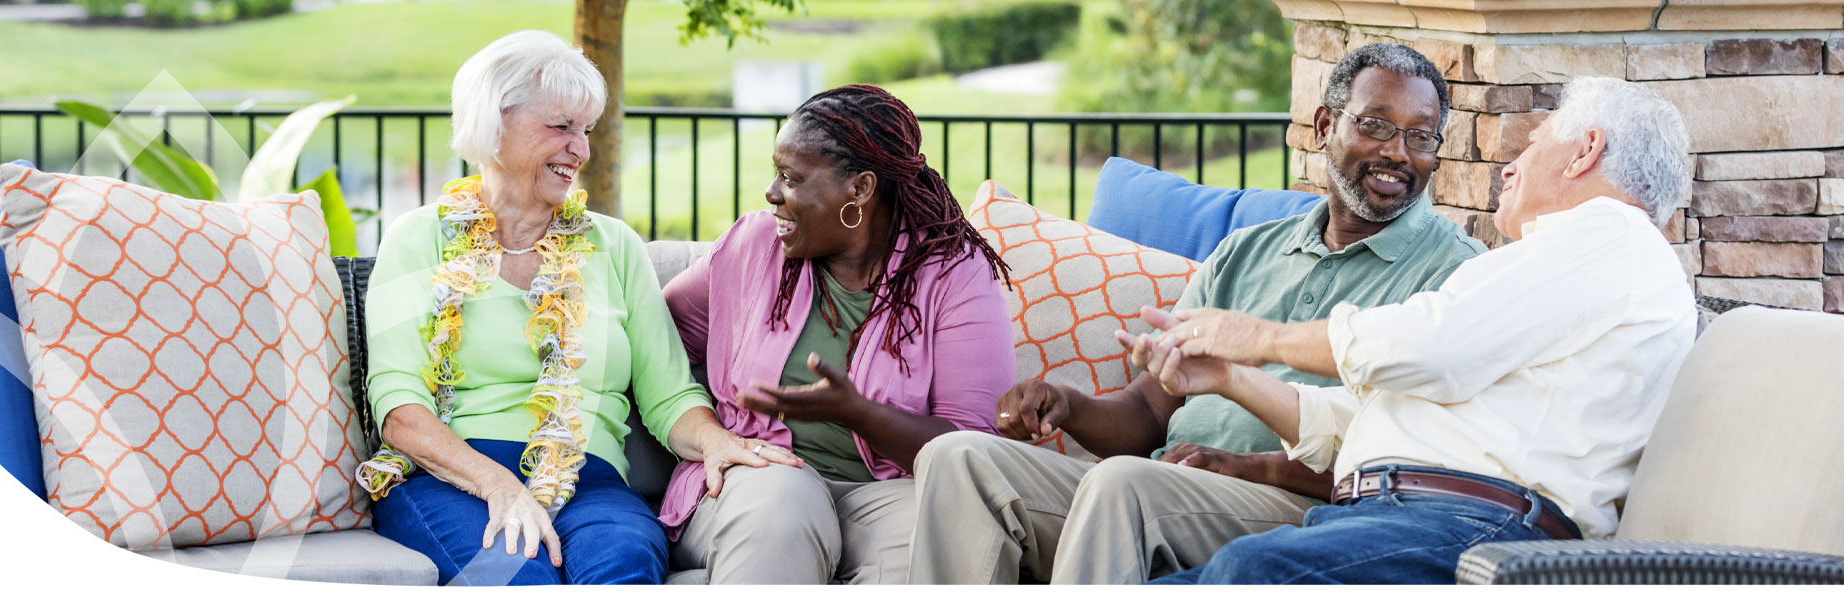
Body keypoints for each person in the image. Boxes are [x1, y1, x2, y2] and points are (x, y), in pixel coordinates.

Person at [907, 43, 1487, 585]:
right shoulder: (1247, 251)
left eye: (1420, 136)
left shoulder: (1455, 275)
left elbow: (1417, 460)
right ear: (1323, 126)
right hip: (1161, 485)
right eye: (1375, 125)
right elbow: (1146, 411)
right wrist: (1069, 404)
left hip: (1307, 513)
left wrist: (1248, 466)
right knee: (959, 458)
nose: (1397, 153)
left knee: (1125, 485)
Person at [1134, 76, 1696, 584]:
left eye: (1532, 143)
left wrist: (1261, 338)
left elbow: (1435, 347)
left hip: (1481, 532)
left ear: (1585, 152)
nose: (1510, 166)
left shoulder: (1611, 237)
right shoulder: (1566, 270)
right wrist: (1232, 376)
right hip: (1406, 519)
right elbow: (1373, 412)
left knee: (1250, 572)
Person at [356, 30, 786, 586]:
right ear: (495, 122)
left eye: (585, 131)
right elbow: (398, 408)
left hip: (591, 481)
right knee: (516, 575)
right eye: (560, 127)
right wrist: (500, 487)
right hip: (456, 479)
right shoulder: (417, 238)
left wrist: (716, 441)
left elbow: (669, 394)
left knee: (625, 563)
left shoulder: (614, 245)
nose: (580, 150)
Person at [660, 84, 1016, 584]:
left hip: (886, 493)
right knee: (783, 505)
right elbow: (657, 341)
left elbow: (969, 450)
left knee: (944, 536)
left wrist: (859, 413)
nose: (771, 192)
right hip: (759, 476)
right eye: (775, 172)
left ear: (860, 189)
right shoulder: (753, 246)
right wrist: (708, 433)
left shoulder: (952, 275)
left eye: (791, 177)